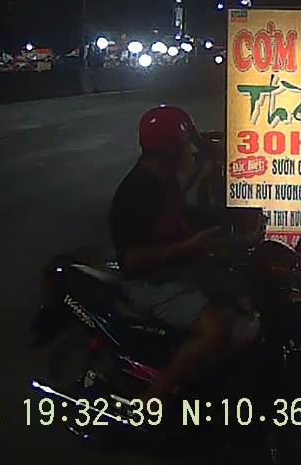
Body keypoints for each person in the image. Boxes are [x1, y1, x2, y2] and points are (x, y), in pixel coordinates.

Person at [110, 104, 238, 400]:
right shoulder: (136, 194)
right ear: (168, 150)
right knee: (214, 330)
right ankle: (153, 399)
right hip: (151, 283)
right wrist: (190, 246)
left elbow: (184, 182)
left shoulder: (161, 176)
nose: (190, 150)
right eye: (184, 145)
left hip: (173, 271)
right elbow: (132, 259)